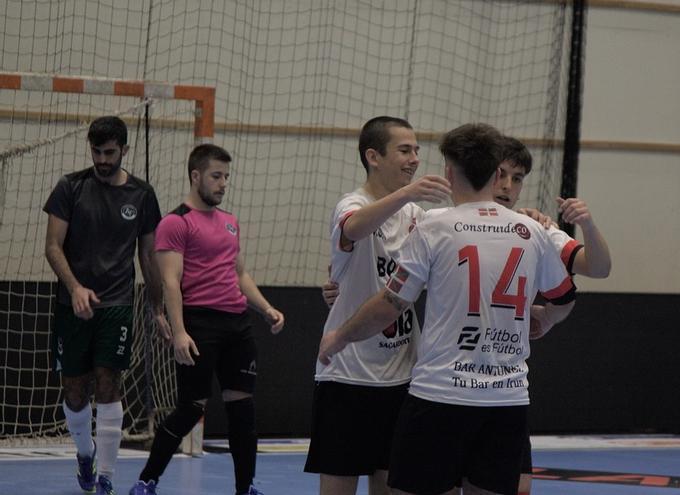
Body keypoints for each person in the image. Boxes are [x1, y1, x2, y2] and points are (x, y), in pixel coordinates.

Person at [322, 135, 611, 495]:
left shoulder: (435, 224)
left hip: (442, 393)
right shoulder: (533, 230)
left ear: (449, 171)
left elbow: (390, 303)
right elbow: (566, 295)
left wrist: (340, 334)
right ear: (494, 175)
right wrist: (548, 318)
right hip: (506, 399)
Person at [304, 116, 451, 495]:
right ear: (373, 156)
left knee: (390, 485)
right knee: (338, 485)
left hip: (402, 375)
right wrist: (407, 194)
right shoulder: (352, 204)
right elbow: (353, 228)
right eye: (404, 150)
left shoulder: (417, 217)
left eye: (417, 150)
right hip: (348, 373)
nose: (415, 158)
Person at [128, 144, 285, 495]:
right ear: (196, 176)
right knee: (189, 410)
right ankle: (146, 480)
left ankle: (246, 488)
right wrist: (180, 332)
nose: (223, 183)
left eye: (226, 177)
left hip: (237, 326)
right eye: (216, 176)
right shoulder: (175, 222)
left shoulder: (230, 222)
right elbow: (170, 281)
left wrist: (266, 307)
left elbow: (239, 274)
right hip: (200, 326)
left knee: (242, 411)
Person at [44, 115, 170, 495]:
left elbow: (149, 257)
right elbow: (52, 247)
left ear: (124, 151)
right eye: (96, 151)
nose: (102, 159)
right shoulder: (70, 188)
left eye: (109, 152)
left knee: (109, 384)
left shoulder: (142, 195)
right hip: (72, 305)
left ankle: (107, 478)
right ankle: (85, 454)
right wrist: (76, 287)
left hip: (116, 304)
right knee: (75, 392)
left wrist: (159, 310)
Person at [494, 135, 611, 495]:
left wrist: (587, 225)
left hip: (507, 387)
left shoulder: (535, 229)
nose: (507, 185)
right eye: (500, 174)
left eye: (517, 178)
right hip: (447, 386)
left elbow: (599, 268)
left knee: (516, 486)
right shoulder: (443, 222)